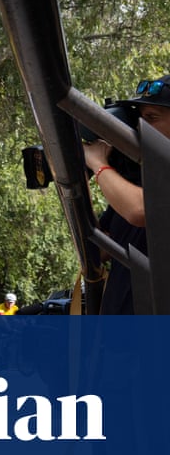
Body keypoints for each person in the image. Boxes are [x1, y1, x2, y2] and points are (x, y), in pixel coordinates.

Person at [83, 75, 170, 314]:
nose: (140, 128)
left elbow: (139, 211)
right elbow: (97, 252)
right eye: (139, 119)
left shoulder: (145, 196)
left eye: (151, 119)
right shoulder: (142, 183)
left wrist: (98, 164)